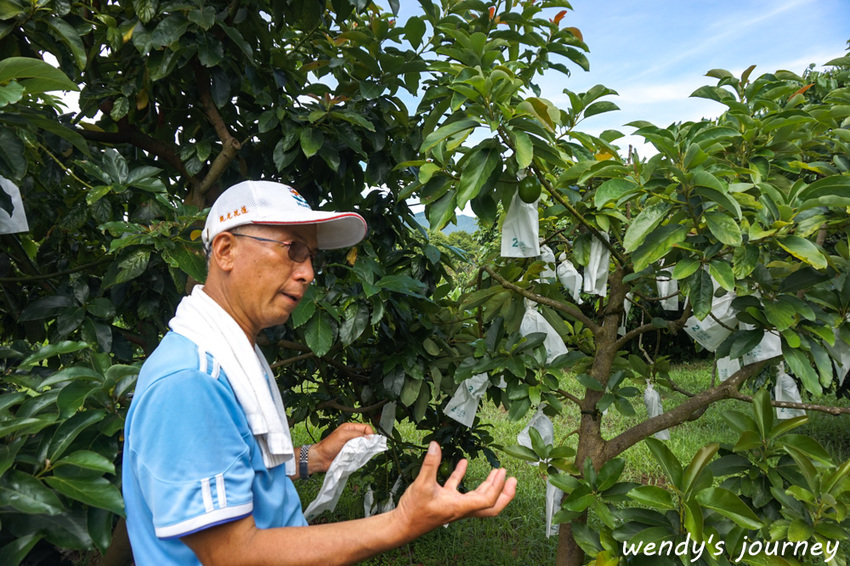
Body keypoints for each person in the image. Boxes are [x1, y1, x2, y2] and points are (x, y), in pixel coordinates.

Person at [122, 180, 517, 565]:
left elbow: (230, 468)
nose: (308, 273)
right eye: (292, 249)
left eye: (312, 256)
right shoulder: (192, 382)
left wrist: (315, 457)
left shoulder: (230, 354)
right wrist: (401, 522)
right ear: (226, 250)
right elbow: (232, 554)